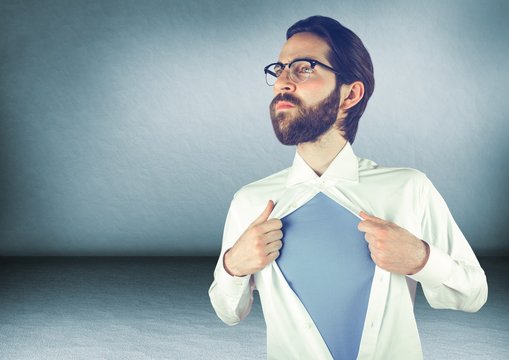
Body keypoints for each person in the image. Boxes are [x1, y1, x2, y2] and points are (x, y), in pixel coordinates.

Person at [208, 15, 487, 360]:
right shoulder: (251, 201)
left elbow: (473, 294)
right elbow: (227, 310)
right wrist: (234, 265)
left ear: (350, 94)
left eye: (303, 68)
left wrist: (421, 258)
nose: (282, 82)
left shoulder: (407, 188)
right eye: (279, 70)